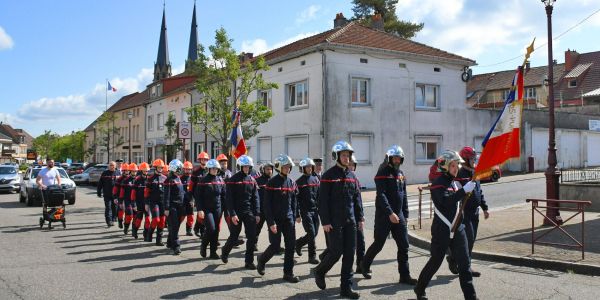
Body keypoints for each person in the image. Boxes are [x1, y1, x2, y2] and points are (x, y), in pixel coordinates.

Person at [414, 150, 477, 300]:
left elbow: (459, 202)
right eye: (453, 165)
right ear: (445, 167)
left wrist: (468, 190)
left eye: (457, 165)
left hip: (458, 228)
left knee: (464, 264)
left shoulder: (455, 183)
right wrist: (463, 191)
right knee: (435, 261)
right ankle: (420, 287)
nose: (456, 169)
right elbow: (445, 202)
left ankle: (471, 297)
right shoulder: (438, 185)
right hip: (442, 229)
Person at [360, 145, 417, 285]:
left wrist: (406, 214)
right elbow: (381, 195)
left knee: (404, 246)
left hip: (399, 216)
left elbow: (404, 196)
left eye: (399, 158)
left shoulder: (401, 174)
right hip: (384, 216)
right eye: (395, 158)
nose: (397, 160)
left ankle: (404, 275)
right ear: (389, 158)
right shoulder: (382, 173)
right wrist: (390, 213)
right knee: (378, 244)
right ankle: (364, 265)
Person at [314, 141, 364, 299]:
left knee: (350, 255)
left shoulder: (352, 176)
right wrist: (326, 221)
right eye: (343, 155)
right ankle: (320, 271)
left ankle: (346, 288)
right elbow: (322, 201)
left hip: (350, 221)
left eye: (348, 155)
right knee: (336, 252)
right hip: (334, 222)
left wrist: (360, 217)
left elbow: (357, 199)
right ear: (336, 156)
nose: (346, 158)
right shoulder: (329, 176)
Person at [446, 146, 490, 277]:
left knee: (471, 240)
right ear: (465, 159)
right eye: (472, 158)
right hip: (464, 212)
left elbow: (479, 191)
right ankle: (466, 267)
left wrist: (485, 207)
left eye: (474, 158)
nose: (474, 160)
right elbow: (457, 193)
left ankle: (454, 258)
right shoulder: (459, 174)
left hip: (475, 212)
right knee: (468, 239)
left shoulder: (475, 172)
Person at [257, 154, 301, 283]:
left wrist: (296, 215)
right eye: (285, 166)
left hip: (288, 220)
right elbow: (267, 205)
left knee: (290, 246)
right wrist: (271, 222)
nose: (288, 169)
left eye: (289, 167)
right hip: (275, 220)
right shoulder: (271, 183)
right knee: (275, 246)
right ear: (279, 167)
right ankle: (262, 259)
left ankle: (288, 273)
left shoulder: (291, 182)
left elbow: (294, 202)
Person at [221, 155, 260, 270]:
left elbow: (255, 198)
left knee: (252, 237)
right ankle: (225, 251)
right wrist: (232, 214)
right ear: (240, 166)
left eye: (248, 166)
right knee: (234, 237)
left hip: (249, 212)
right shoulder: (233, 180)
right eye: (244, 166)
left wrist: (257, 213)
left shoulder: (252, 180)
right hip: (236, 213)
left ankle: (249, 261)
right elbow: (229, 199)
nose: (247, 168)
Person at [196, 159, 226, 259]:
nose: (214, 170)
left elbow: (224, 196)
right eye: (212, 168)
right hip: (206, 209)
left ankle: (213, 252)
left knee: (216, 230)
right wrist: (199, 209)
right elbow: (198, 196)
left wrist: (226, 209)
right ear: (208, 169)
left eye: (216, 168)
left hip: (218, 208)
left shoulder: (220, 180)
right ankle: (203, 245)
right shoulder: (203, 180)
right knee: (211, 228)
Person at [294, 157, 321, 265]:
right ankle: (312, 256)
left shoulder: (316, 180)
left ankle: (299, 243)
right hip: (305, 211)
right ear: (302, 168)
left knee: (314, 233)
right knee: (311, 232)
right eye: (307, 167)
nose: (309, 169)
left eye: (310, 167)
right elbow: (295, 200)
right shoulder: (299, 182)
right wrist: (297, 214)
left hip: (315, 211)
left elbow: (319, 196)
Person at [164, 159, 186, 255]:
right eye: (179, 168)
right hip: (172, 206)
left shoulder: (178, 178)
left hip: (180, 206)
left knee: (175, 227)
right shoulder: (169, 180)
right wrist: (167, 208)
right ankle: (176, 246)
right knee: (174, 226)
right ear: (174, 168)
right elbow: (166, 195)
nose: (181, 170)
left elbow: (182, 192)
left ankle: (169, 242)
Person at [145, 159, 167, 246]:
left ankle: (159, 240)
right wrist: (146, 203)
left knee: (162, 221)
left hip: (163, 202)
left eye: (161, 167)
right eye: (159, 167)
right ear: (155, 168)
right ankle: (149, 234)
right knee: (156, 219)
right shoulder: (150, 179)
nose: (160, 169)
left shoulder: (165, 178)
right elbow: (146, 192)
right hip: (154, 202)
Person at [255, 162, 274, 251]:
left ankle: (274, 245)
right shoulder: (258, 181)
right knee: (257, 227)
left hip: (271, 210)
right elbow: (255, 196)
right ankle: (254, 243)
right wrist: (256, 210)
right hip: (261, 209)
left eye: (270, 169)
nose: (269, 171)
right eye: (267, 169)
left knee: (272, 227)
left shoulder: (274, 181)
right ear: (263, 170)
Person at [191, 152, 209, 238]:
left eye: (205, 159)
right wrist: (191, 198)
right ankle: (202, 232)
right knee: (201, 214)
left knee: (203, 215)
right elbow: (191, 186)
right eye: (202, 159)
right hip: (197, 196)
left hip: (207, 196)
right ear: (200, 160)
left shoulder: (209, 170)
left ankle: (197, 227)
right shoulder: (195, 172)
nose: (204, 161)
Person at [131, 162, 150, 239]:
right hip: (139, 203)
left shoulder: (149, 180)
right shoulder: (137, 180)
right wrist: (133, 204)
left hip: (147, 203)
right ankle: (134, 230)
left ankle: (146, 233)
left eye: (147, 171)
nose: (146, 172)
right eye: (144, 171)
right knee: (139, 219)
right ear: (141, 170)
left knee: (148, 219)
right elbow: (133, 193)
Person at [97, 161, 117, 227]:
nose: (112, 166)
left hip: (115, 195)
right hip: (107, 194)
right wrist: (99, 191)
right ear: (108, 166)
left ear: (115, 166)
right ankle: (109, 221)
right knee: (108, 207)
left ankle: (113, 218)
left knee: (115, 207)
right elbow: (100, 183)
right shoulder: (105, 173)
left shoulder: (117, 173)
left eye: (113, 165)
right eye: (110, 165)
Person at [121, 163, 136, 236]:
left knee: (136, 217)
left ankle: (134, 230)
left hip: (136, 202)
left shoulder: (138, 179)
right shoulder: (126, 180)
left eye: (135, 171)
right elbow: (122, 191)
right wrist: (120, 201)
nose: (134, 173)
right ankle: (126, 227)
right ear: (130, 171)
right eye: (133, 171)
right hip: (128, 201)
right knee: (129, 215)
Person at [180, 161, 195, 236]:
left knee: (190, 215)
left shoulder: (192, 178)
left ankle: (188, 230)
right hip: (182, 200)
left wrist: (194, 200)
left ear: (191, 170)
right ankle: (175, 227)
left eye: (189, 169)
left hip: (190, 200)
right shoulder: (180, 178)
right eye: (186, 169)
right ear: (184, 169)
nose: (187, 171)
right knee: (182, 216)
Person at [113, 163, 129, 229]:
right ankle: (120, 221)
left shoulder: (131, 179)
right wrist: (115, 198)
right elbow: (115, 189)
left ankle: (126, 224)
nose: (127, 172)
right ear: (123, 171)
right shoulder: (119, 179)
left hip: (128, 198)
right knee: (120, 211)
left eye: (128, 170)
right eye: (125, 171)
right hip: (120, 198)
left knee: (128, 213)